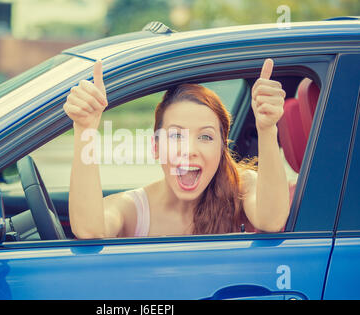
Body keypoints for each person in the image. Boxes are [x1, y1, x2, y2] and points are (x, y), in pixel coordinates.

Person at [64, 58, 290, 239]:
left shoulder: (242, 188)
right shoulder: (133, 209)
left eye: (205, 136)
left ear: (222, 149)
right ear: (155, 147)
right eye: (175, 135)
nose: (189, 149)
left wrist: (268, 128)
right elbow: (90, 230)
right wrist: (85, 128)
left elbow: (271, 220)